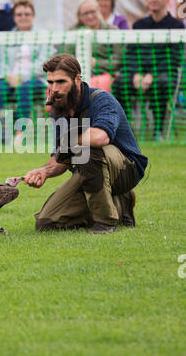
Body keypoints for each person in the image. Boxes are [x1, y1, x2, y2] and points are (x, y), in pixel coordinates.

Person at [23, 54, 148, 233]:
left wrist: (68, 142)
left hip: (125, 170)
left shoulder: (101, 99)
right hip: (89, 171)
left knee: (87, 150)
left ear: (77, 80)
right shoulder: (58, 109)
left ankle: (105, 222)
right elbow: (60, 159)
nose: (54, 88)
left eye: (60, 82)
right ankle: (120, 203)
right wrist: (43, 171)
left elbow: (100, 138)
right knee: (47, 223)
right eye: (50, 83)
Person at [112, 0, 185, 140]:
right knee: (119, 82)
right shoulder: (139, 25)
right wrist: (135, 74)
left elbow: (174, 58)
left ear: (166, 0)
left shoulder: (177, 27)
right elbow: (131, 54)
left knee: (161, 83)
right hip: (138, 74)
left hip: (164, 74)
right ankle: (125, 130)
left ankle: (158, 131)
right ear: (146, 0)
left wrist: (152, 75)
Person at [0, 0, 54, 125]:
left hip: (36, 80)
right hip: (9, 79)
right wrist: (8, 77)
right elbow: (2, 63)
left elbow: (44, 63)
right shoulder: (7, 37)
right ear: (14, 17)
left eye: (27, 14)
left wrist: (22, 77)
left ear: (33, 16)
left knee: (24, 88)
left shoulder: (44, 35)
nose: (23, 17)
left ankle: (20, 129)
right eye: (19, 14)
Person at [72, 0, 122, 92]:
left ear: (99, 11)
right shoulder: (72, 32)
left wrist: (96, 63)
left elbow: (118, 61)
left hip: (106, 75)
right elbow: (65, 56)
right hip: (78, 75)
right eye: (86, 13)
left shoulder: (113, 31)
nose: (90, 16)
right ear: (79, 16)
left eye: (92, 12)